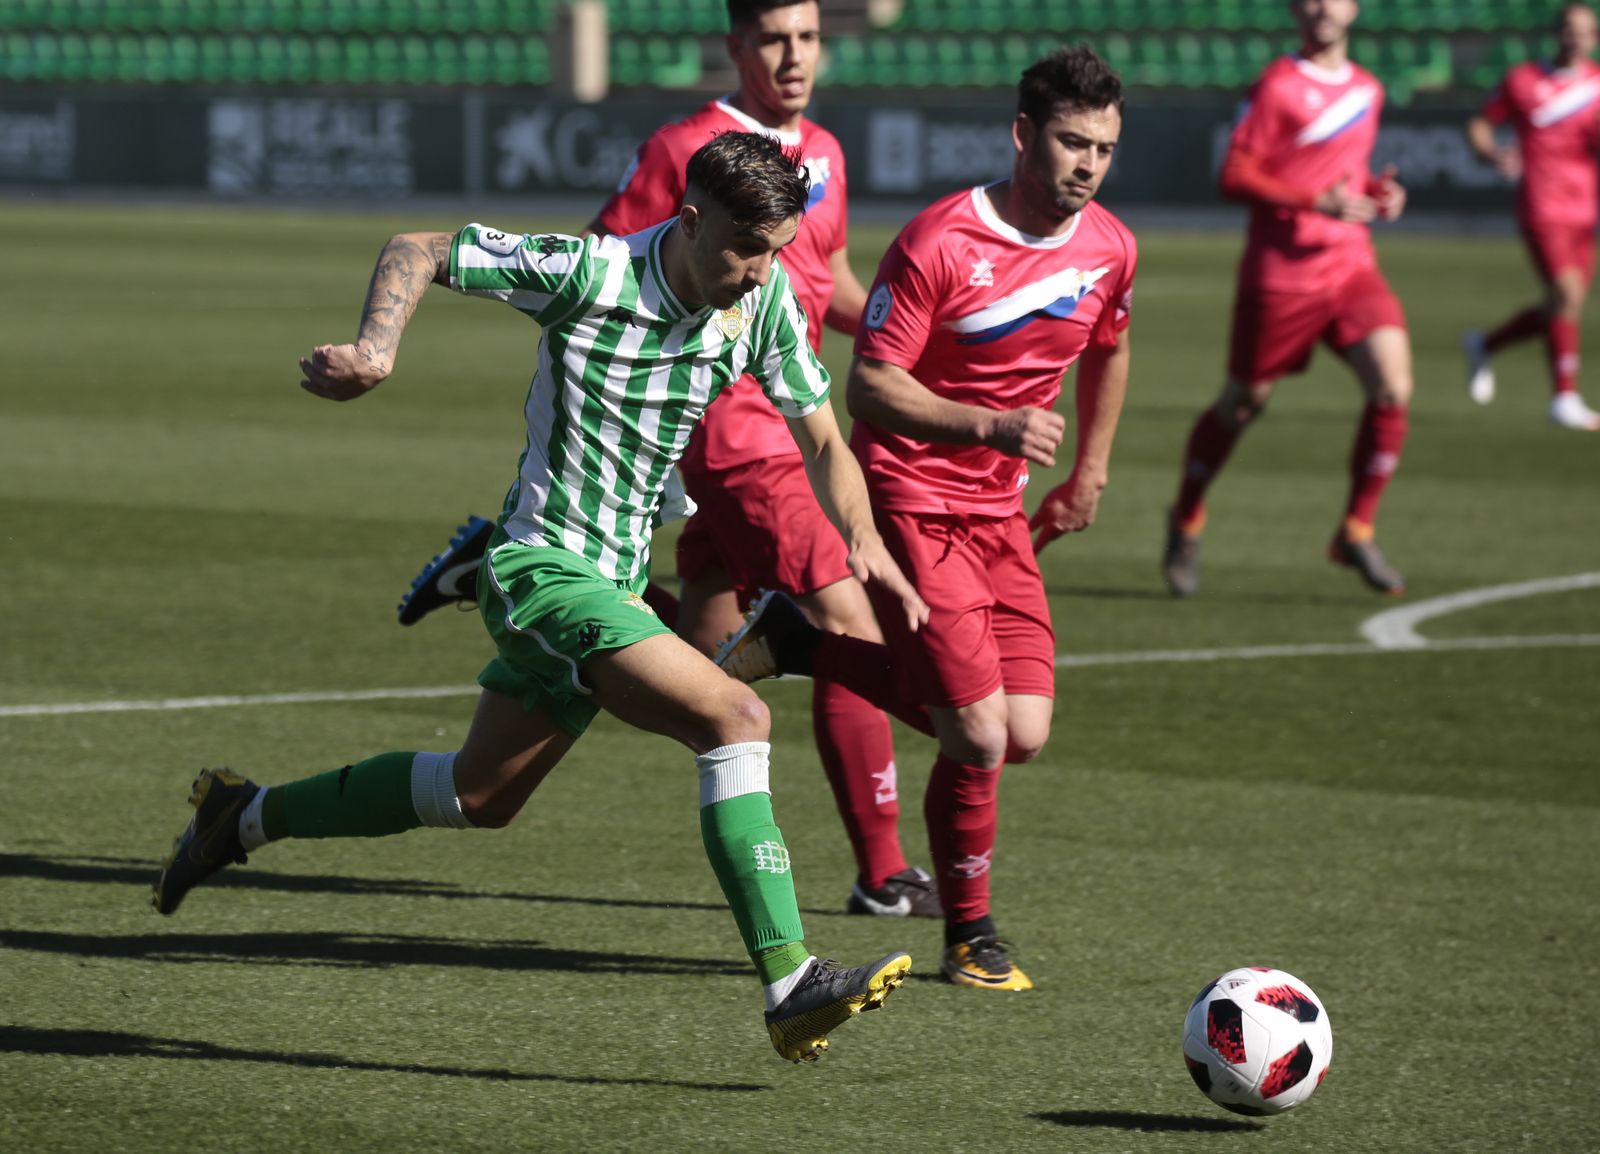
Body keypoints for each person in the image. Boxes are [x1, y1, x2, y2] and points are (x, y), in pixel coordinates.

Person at [150, 132, 929, 1065]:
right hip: (544, 571)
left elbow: (827, 445)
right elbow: (419, 247)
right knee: (735, 716)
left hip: (617, 585)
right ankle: (791, 982)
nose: (764, 274)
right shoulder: (590, 273)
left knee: (477, 795)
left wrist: (865, 535)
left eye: (778, 250)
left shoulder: (760, 308)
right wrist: (375, 348)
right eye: (746, 249)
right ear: (688, 222)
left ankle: (240, 814)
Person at [396, 0, 940, 920]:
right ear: (736, 47)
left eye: (808, 36)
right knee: (843, 617)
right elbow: (617, 261)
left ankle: (498, 556)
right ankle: (883, 875)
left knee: (699, 658)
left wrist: (906, 346)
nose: (795, 54)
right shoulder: (685, 143)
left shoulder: (825, 153)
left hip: (775, 399)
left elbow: (829, 281)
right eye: (774, 37)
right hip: (725, 429)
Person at [724, 45, 1138, 992]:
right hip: (910, 495)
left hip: (1001, 511)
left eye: (1105, 148)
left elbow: (1112, 345)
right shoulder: (941, 240)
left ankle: (804, 642)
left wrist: (1092, 469)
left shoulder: (1110, 245)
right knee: (980, 736)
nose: (1088, 164)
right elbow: (868, 386)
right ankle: (969, 935)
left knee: (1022, 730)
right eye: (1072, 142)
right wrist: (989, 423)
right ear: (1024, 134)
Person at [1162, 0, 1413, 599]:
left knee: (1393, 387)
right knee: (1243, 403)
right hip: (1283, 275)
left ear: (1353, 9)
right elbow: (1234, 175)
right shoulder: (1276, 85)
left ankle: (1355, 529)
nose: (1321, 7)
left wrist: (1379, 192)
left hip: (1351, 265)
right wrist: (1313, 201)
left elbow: (1348, 175)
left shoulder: (1368, 90)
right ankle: (1186, 516)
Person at [1462, 2, 1600, 432]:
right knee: (1566, 292)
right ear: (1555, 32)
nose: (1575, 37)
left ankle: (1485, 344)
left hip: (1585, 208)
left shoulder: (1597, 85)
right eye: (1568, 29)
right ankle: (1564, 397)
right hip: (1542, 205)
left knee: (1566, 304)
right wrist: (1492, 153)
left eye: (1585, 31)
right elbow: (1480, 125)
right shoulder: (1523, 80)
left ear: (1594, 39)